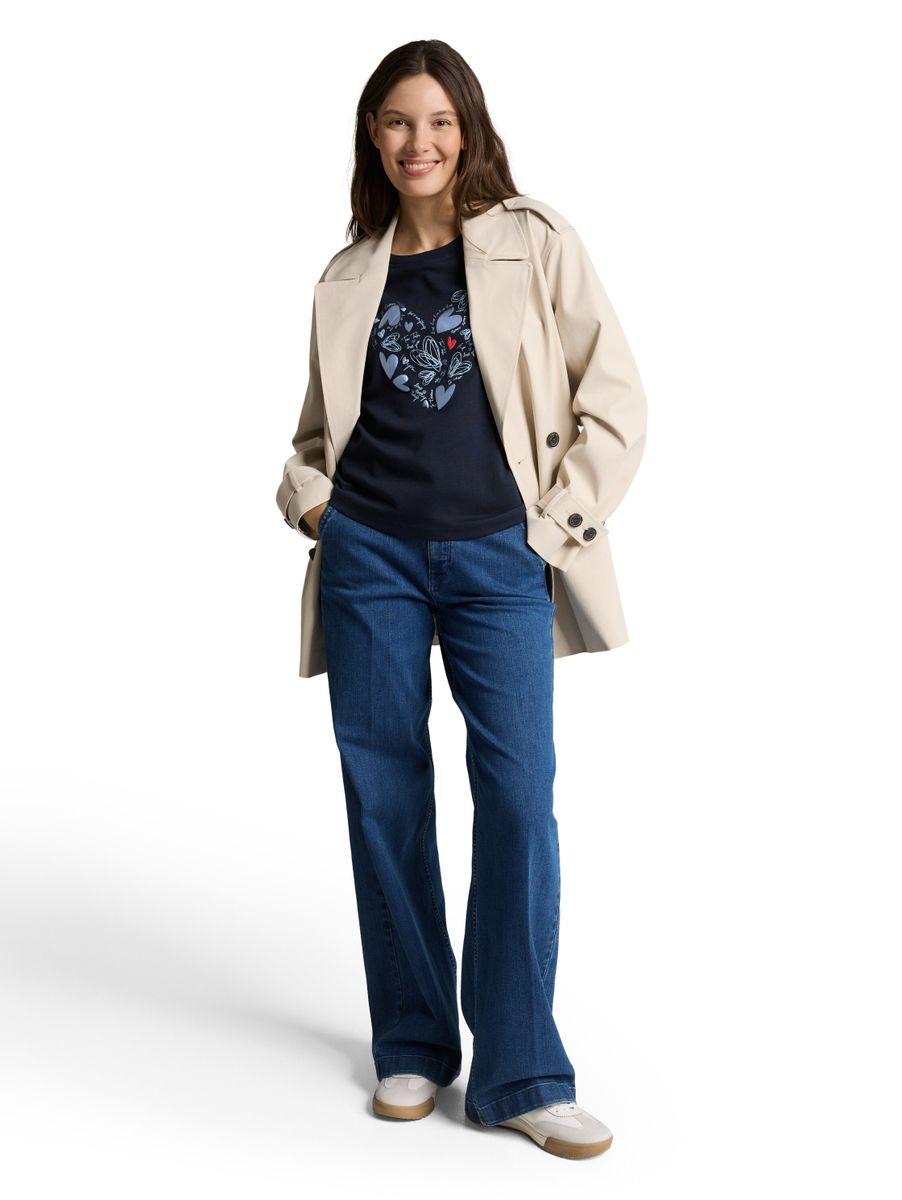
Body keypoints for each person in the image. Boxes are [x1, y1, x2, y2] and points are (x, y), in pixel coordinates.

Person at [276, 40, 647, 1160]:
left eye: (438, 121)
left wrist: (550, 530)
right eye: (397, 121)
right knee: (382, 798)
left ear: (468, 128)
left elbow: (615, 399)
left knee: (518, 799)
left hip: (500, 561)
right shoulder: (347, 275)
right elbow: (312, 440)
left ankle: (522, 1069)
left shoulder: (535, 242)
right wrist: (319, 512)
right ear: (372, 135)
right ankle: (412, 1043)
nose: (419, 142)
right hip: (371, 561)